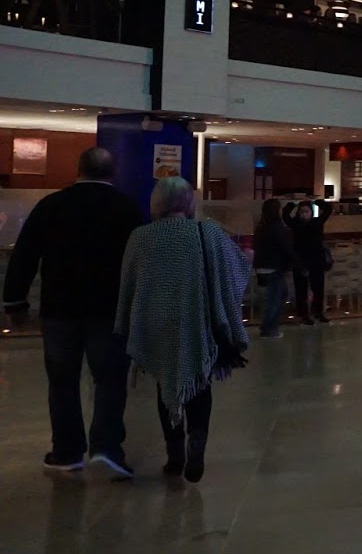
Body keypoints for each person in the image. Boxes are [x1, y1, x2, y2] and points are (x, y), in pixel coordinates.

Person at [2, 147, 142, 476]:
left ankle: (67, 451)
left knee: (62, 381)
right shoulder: (126, 208)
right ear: (113, 173)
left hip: (59, 310)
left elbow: (25, 256)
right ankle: (107, 447)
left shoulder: (52, 205)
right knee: (109, 380)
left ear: (78, 170)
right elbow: (141, 261)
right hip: (109, 311)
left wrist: (15, 302)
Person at [116, 177, 250, 483]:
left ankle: (174, 455)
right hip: (198, 323)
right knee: (200, 384)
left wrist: (127, 323)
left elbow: (129, 285)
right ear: (189, 201)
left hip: (157, 326)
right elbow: (239, 266)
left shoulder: (140, 237)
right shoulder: (208, 233)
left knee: (166, 383)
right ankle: (197, 444)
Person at [251, 199, 293, 337]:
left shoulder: (261, 227)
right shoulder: (278, 228)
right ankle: (268, 329)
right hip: (275, 267)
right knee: (275, 300)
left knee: (277, 297)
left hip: (262, 267)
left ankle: (269, 327)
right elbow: (286, 248)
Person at [286, 197, 331, 324]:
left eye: (307, 211)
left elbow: (328, 210)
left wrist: (294, 204)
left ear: (311, 212)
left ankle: (316, 313)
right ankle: (305, 314)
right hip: (302, 261)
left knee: (317, 288)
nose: (304, 214)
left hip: (314, 261)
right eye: (302, 212)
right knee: (302, 289)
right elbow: (285, 215)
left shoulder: (314, 223)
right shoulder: (298, 224)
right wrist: (315, 202)